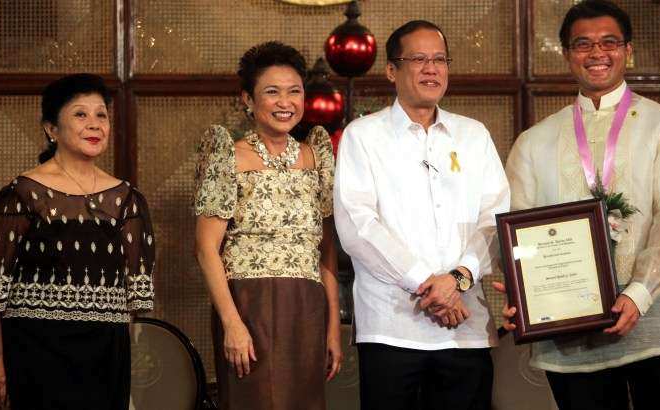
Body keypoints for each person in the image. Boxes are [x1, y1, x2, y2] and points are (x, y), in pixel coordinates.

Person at [498, 1, 660, 409]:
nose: (597, 53)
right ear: (566, 55)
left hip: (653, 314)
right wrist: (522, 296)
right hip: (569, 327)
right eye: (583, 44)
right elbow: (518, 227)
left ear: (628, 51)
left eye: (609, 42)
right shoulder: (534, 141)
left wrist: (640, 292)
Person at [334, 20, 510, 410]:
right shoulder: (363, 136)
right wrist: (429, 284)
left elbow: (495, 218)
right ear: (392, 70)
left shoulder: (473, 135)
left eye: (439, 59)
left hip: (466, 327)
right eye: (419, 59)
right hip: (391, 328)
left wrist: (459, 278)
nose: (432, 69)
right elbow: (357, 226)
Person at [0, 73, 155, 410]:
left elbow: (136, 296)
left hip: (106, 352)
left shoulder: (127, 199)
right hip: (35, 349)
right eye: (80, 114)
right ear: (51, 129)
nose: (94, 124)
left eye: (101, 115)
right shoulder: (22, 194)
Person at [193, 41, 342, 410]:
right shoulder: (228, 155)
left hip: (307, 306)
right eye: (271, 92)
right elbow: (206, 248)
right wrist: (232, 322)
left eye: (294, 91)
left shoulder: (315, 155)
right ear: (248, 99)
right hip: (248, 304)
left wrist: (333, 328)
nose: (285, 102)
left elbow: (326, 250)